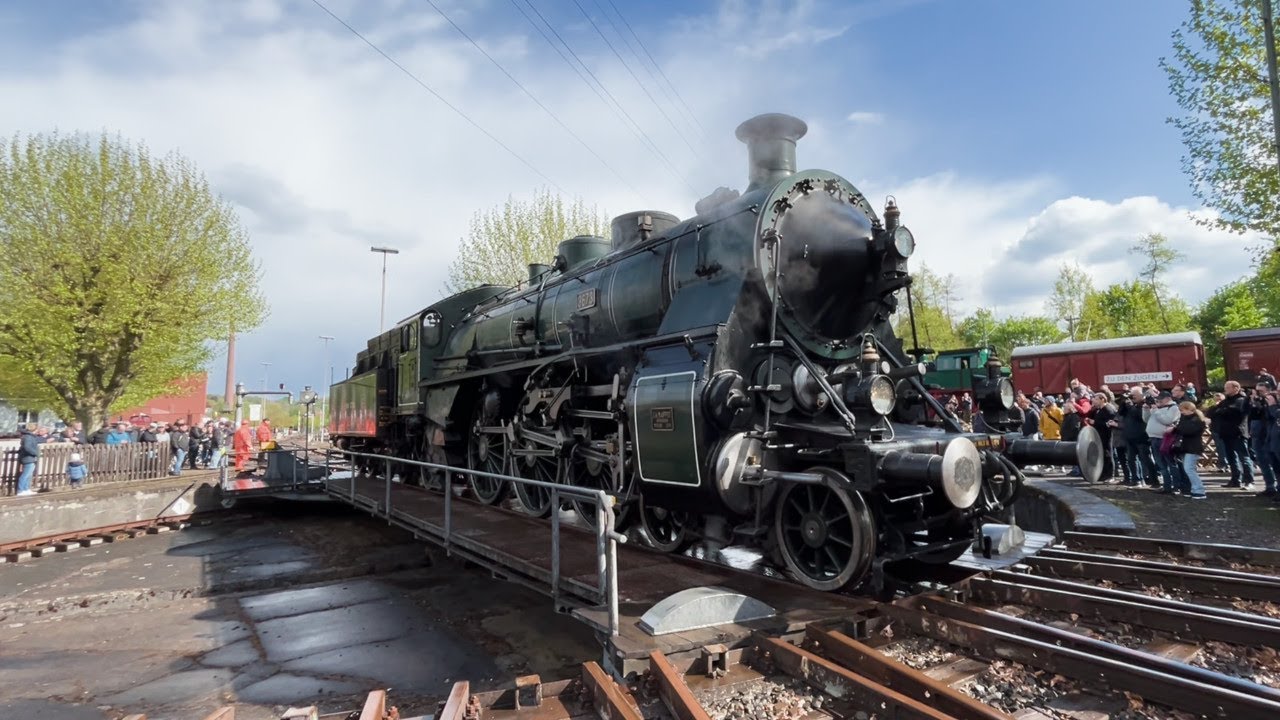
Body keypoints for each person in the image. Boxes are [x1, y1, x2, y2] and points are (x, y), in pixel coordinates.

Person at [1209, 380, 1255, 489]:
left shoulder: (1242, 399)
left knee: (1244, 457)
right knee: (1231, 458)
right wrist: (1220, 410)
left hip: (1238, 432)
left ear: (1236, 388)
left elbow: (1234, 411)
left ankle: (1249, 480)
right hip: (1225, 432)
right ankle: (1235, 479)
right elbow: (1211, 412)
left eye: (1228, 388)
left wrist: (1221, 410)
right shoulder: (1225, 401)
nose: (1225, 390)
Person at [1144, 391, 1181, 494]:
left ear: (1168, 398)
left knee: (1170, 463)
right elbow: (1146, 419)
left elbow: (1167, 420)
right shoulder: (1159, 408)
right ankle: (1166, 485)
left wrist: (1156, 410)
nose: (1159, 400)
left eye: (1162, 398)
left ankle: (1176, 486)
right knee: (1161, 464)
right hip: (1154, 438)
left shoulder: (1173, 408)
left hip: (1165, 439)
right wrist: (1146, 409)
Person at [1171, 401, 1208, 499]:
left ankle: (1199, 490)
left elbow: (1187, 430)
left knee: (1189, 469)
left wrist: (1176, 428)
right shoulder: (1186, 419)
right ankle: (1193, 489)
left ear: (1188, 409)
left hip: (1193, 447)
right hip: (1186, 447)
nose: (1181, 412)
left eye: (1182, 410)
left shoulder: (1197, 420)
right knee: (1188, 469)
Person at [1119, 388, 1153, 486]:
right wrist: (1123, 402)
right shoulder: (1131, 405)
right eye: (1131, 395)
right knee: (1131, 459)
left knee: (1145, 459)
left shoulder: (1145, 404)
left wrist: (1130, 406)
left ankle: (1152, 479)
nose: (1132, 397)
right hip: (1130, 437)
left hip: (1141, 437)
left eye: (1135, 395)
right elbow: (1121, 413)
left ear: (1142, 395)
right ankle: (1136, 479)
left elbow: (1139, 416)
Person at [1087, 393, 1118, 482]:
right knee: (1102, 455)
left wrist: (1095, 422)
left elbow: (1109, 424)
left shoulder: (1108, 409)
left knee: (1108, 454)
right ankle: (1103, 474)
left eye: (1096, 400)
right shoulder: (1098, 409)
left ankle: (1110, 475)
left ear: (1102, 399)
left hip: (1107, 435)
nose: (1094, 401)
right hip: (1099, 435)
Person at [15, 423, 42, 496]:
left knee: (28, 475)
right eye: (37, 429)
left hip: (29, 458)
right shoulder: (28, 437)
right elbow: (27, 448)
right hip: (28, 458)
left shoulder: (30, 436)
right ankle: (20, 490)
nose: (38, 431)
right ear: (34, 429)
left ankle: (26, 489)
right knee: (25, 475)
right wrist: (36, 453)